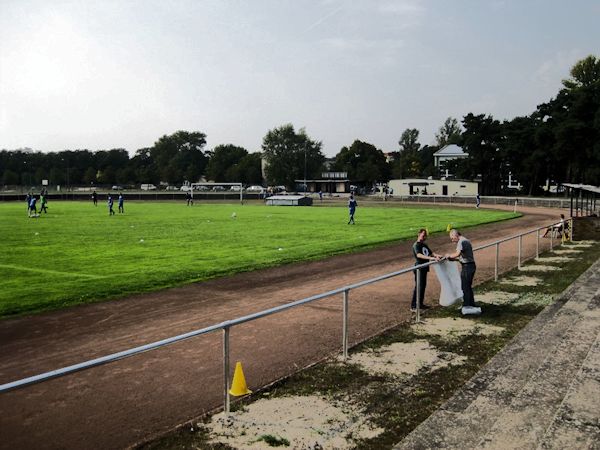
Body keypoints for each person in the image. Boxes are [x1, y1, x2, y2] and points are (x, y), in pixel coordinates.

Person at [411, 229, 442, 311]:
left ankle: (420, 304)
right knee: (419, 286)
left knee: (422, 286)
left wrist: (438, 256)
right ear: (419, 234)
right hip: (419, 268)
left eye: (425, 236)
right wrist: (431, 258)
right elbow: (419, 255)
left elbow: (431, 253)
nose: (424, 237)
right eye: (423, 235)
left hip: (424, 268)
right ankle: (414, 306)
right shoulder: (416, 245)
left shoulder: (424, 245)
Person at [446, 229, 477, 308]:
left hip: (467, 267)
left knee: (465, 287)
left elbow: (457, 254)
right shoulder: (465, 240)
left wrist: (448, 256)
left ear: (455, 235)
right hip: (469, 265)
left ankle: (467, 305)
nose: (452, 241)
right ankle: (471, 303)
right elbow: (463, 257)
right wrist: (452, 259)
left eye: (452, 238)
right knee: (467, 286)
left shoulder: (461, 242)